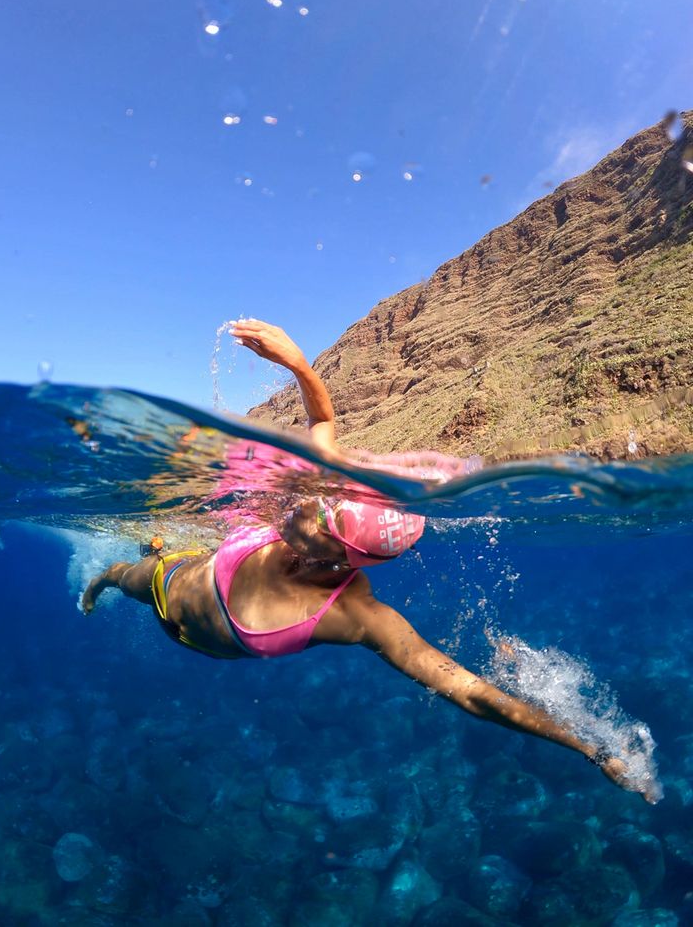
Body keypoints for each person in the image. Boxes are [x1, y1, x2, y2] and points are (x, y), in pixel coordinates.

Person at [82, 319, 651, 802]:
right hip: (175, 576)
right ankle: (104, 580)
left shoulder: (359, 618)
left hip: (191, 633)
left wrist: (589, 747)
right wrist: (300, 366)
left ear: (339, 551)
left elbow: (472, 691)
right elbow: (323, 427)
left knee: (143, 564)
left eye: (320, 510)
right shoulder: (315, 505)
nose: (307, 498)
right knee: (120, 576)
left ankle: (133, 563)